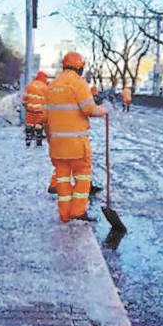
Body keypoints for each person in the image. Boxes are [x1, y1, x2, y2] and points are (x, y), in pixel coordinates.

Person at [46, 52, 108, 223]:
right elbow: (90, 109)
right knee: (82, 177)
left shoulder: (52, 85)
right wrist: (104, 109)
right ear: (80, 66)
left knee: (63, 179)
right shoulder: (78, 83)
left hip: (57, 145)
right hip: (77, 145)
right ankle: (78, 211)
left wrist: (50, 138)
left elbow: (45, 117)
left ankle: (64, 214)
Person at [23, 71, 49, 147]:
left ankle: (28, 140)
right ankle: (38, 141)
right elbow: (48, 100)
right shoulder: (45, 87)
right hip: (40, 111)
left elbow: (25, 98)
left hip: (30, 110)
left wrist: (26, 106)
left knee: (29, 125)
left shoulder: (30, 85)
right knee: (39, 126)